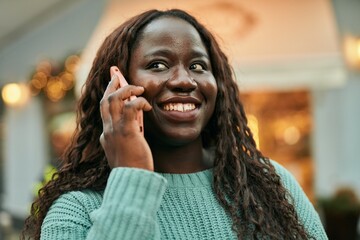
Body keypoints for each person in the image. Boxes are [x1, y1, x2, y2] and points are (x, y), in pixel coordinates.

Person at [21, 9, 327, 240]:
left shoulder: (270, 185)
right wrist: (131, 175)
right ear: (116, 86)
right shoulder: (75, 212)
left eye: (197, 66)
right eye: (158, 65)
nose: (184, 80)